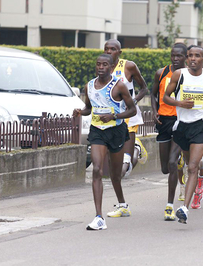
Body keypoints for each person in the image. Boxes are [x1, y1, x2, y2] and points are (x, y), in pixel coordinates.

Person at [73, 54, 136, 230]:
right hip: (97, 132)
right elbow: (89, 108)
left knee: (115, 176)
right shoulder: (90, 86)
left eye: (104, 65)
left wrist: (114, 116)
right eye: (98, 64)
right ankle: (99, 217)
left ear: (111, 67)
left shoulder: (119, 86)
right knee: (97, 170)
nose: (101, 67)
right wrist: (80, 112)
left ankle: (123, 205)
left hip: (116, 131)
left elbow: (132, 110)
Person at [163, 45, 203, 224]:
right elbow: (166, 97)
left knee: (191, 167)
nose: (192, 59)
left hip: (201, 126)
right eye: (190, 55)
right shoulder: (179, 75)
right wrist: (180, 103)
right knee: (192, 163)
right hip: (182, 126)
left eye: (197, 56)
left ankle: (184, 208)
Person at [151, 43, 188, 221]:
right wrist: (154, 111)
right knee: (165, 168)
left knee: (172, 163)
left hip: (181, 121)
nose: (175, 58)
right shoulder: (161, 73)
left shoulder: (190, 75)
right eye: (173, 55)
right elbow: (153, 95)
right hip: (164, 121)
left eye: (179, 55)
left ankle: (169, 206)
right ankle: (180, 162)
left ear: (186, 57)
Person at [104, 39, 148, 181]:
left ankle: (133, 151)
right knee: (113, 161)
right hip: (111, 117)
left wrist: (133, 102)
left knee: (124, 163)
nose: (109, 51)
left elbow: (144, 88)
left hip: (129, 116)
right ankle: (136, 146)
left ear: (119, 52)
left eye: (113, 49)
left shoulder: (128, 66)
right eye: (106, 49)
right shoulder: (102, 67)